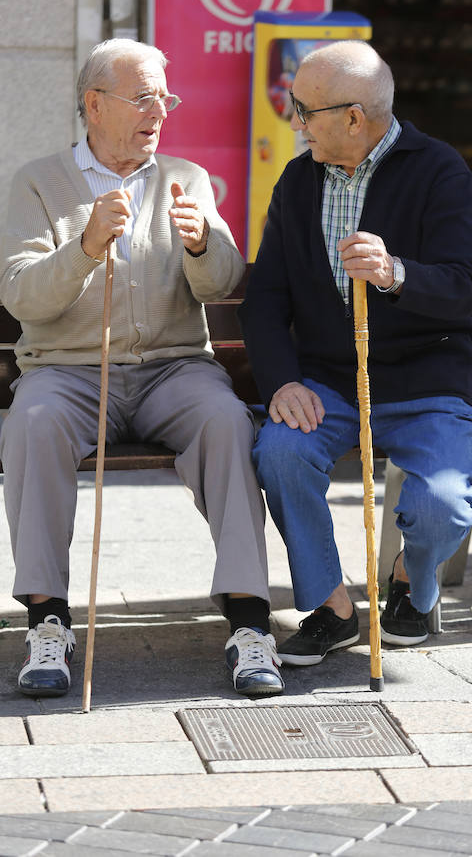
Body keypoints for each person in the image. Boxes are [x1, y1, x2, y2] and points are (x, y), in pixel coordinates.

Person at [0, 38, 283, 699]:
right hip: (69, 374)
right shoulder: (38, 182)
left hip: (172, 372)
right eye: (144, 98)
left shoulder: (186, 176)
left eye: (166, 97)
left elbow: (221, 283)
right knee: (31, 423)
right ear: (94, 105)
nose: (159, 112)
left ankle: (249, 623)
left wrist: (203, 242)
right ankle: (47, 622)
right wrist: (86, 246)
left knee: (225, 420)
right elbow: (21, 295)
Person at [239, 40, 472, 666]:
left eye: (304, 109)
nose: (296, 122)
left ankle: (411, 581)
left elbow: (463, 289)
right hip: (329, 380)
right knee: (282, 450)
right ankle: (331, 606)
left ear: (353, 117)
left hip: (429, 380)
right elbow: (267, 299)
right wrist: (281, 383)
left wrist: (395, 273)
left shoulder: (439, 170)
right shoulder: (298, 180)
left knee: (441, 506)